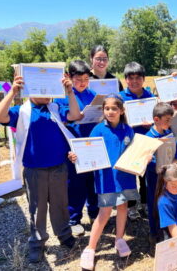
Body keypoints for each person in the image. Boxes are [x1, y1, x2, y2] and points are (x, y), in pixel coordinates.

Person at [0, 74, 82, 263]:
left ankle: (64, 235)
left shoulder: (56, 108)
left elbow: (75, 115)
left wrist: (69, 92)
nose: (47, 93)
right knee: (36, 209)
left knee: (60, 205)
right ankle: (37, 243)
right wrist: (12, 92)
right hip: (34, 170)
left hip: (59, 167)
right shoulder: (22, 111)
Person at [70, 94, 139, 270]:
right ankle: (90, 248)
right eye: (107, 108)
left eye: (114, 108)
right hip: (106, 179)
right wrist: (76, 156)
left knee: (122, 207)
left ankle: (119, 239)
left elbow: (134, 153)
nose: (110, 111)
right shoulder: (98, 130)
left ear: (122, 110)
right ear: (103, 110)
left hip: (125, 177)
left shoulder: (128, 130)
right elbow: (87, 150)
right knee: (105, 213)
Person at [54, 60, 99, 236]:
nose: (83, 82)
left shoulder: (93, 94)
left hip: (92, 144)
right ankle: (74, 219)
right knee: (75, 184)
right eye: (79, 78)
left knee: (93, 181)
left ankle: (94, 213)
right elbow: (65, 119)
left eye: (86, 78)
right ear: (69, 77)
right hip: (74, 146)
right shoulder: (61, 97)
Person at [145, 102, 177, 249]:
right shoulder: (149, 137)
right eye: (167, 120)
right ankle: (155, 233)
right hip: (155, 180)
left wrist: (176, 159)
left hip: (170, 178)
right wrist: (156, 164)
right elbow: (146, 157)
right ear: (156, 119)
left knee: (170, 203)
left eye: (171, 119)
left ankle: (171, 230)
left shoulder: (170, 132)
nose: (170, 122)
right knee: (155, 204)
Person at [119, 62, 155, 220]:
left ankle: (146, 203)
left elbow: (158, 119)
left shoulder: (151, 98)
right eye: (130, 78)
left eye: (138, 78)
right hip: (126, 143)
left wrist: (151, 123)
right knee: (128, 176)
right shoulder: (120, 98)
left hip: (145, 142)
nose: (134, 81)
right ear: (125, 79)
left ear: (144, 79)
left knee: (145, 175)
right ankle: (132, 206)